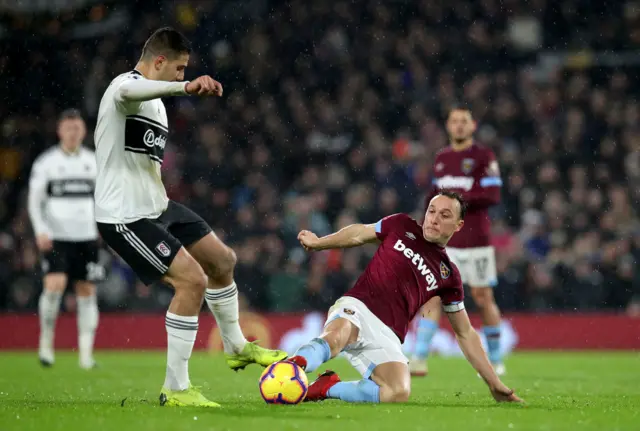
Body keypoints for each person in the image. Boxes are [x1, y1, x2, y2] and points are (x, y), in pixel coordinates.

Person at [93, 27, 286, 408]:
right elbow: (130, 92)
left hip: (157, 207)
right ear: (159, 61)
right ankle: (176, 389)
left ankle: (236, 346)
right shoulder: (123, 86)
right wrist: (183, 88)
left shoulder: (159, 105)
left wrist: (176, 91)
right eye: (178, 69)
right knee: (191, 280)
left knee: (223, 260)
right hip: (124, 216)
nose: (182, 76)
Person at [286, 191, 522, 404]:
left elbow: (465, 333)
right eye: (431, 211)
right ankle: (292, 368)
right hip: (358, 307)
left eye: (445, 215)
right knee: (338, 336)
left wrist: (494, 383)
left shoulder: (449, 274)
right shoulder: (401, 225)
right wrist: (319, 243)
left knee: (397, 392)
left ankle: (327, 388)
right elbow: (359, 233)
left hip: (388, 335)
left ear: (458, 225)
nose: (434, 218)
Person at [409, 107, 505, 377]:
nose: (460, 126)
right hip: (444, 242)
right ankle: (419, 358)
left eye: (465, 121)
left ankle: (495, 360)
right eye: (455, 121)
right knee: (432, 296)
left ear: (473, 126)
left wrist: (456, 200)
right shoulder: (441, 158)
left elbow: (493, 194)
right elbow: (432, 196)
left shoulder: (484, 156)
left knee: (483, 297)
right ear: (448, 126)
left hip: (476, 240)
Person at [28, 109, 103, 370]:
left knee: (87, 290)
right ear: (60, 131)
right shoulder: (46, 163)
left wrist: (103, 228)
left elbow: (104, 198)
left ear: (83, 132)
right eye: (68, 128)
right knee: (54, 286)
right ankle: (46, 343)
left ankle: (85, 355)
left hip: (87, 237)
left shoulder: (94, 162)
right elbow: (34, 201)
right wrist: (40, 230)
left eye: (77, 128)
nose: (73, 133)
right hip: (57, 237)